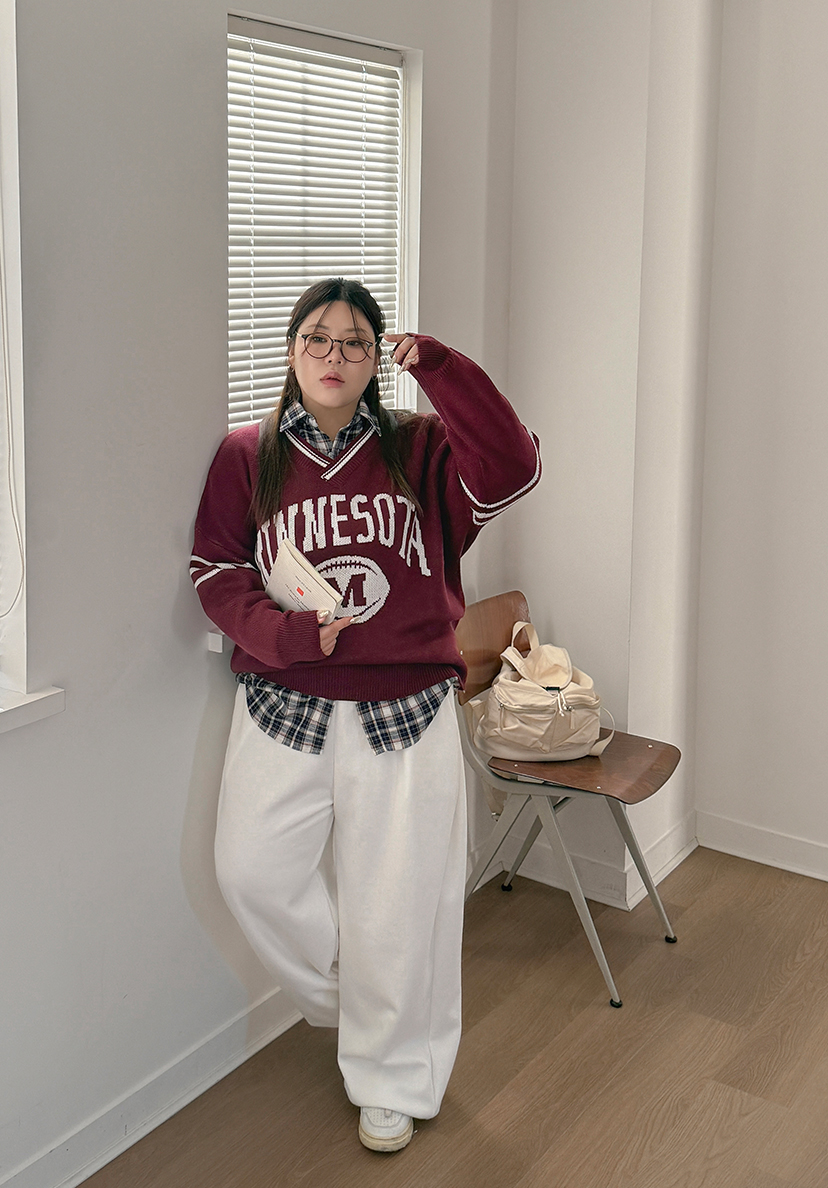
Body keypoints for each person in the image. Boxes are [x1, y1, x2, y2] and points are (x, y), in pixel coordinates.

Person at [191, 277, 540, 1152]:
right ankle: (358, 1004)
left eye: (354, 342)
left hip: (405, 712)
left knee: (399, 903)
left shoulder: (421, 447)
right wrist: (285, 635)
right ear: (291, 350)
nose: (334, 356)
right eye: (317, 337)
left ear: (377, 358)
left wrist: (444, 369)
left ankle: (392, 1075)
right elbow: (216, 570)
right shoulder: (248, 454)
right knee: (251, 871)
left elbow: (514, 466)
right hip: (284, 702)